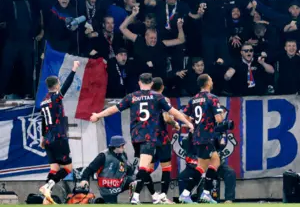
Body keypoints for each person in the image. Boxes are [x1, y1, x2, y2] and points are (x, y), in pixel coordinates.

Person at [89, 73, 193, 204]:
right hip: (151, 137)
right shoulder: (158, 97)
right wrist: (188, 123)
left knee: (145, 167)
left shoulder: (132, 97)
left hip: (137, 137)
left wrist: (98, 115)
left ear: (139, 83)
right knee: (146, 169)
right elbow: (173, 112)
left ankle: (144, 196)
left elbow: (113, 109)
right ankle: (150, 194)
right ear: (151, 84)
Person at [38, 60, 81, 204]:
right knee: (68, 168)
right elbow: (67, 85)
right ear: (56, 85)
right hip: (59, 138)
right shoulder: (55, 98)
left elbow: (43, 121)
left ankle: (46, 199)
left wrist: (42, 138)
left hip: (49, 139)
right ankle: (47, 186)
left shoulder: (43, 101)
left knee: (54, 169)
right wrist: (74, 69)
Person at [181, 73, 225, 204]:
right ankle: (197, 193)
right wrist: (221, 114)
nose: (212, 81)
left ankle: (197, 193)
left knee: (204, 166)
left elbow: (186, 117)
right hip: (207, 136)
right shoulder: (212, 98)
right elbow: (219, 119)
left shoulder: (193, 99)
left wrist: (191, 124)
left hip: (197, 136)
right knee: (212, 163)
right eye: (211, 79)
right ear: (207, 83)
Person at [78, 135, 135, 204]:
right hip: (107, 188)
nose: (124, 147)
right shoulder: (103, 156)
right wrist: (84, 179)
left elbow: (126, 171)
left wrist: (132, 168)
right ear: (116, 146)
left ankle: (133, 202)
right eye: (122, 145)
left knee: (133, 182)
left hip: (119, 184)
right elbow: (90, 169)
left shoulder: (123, 155)